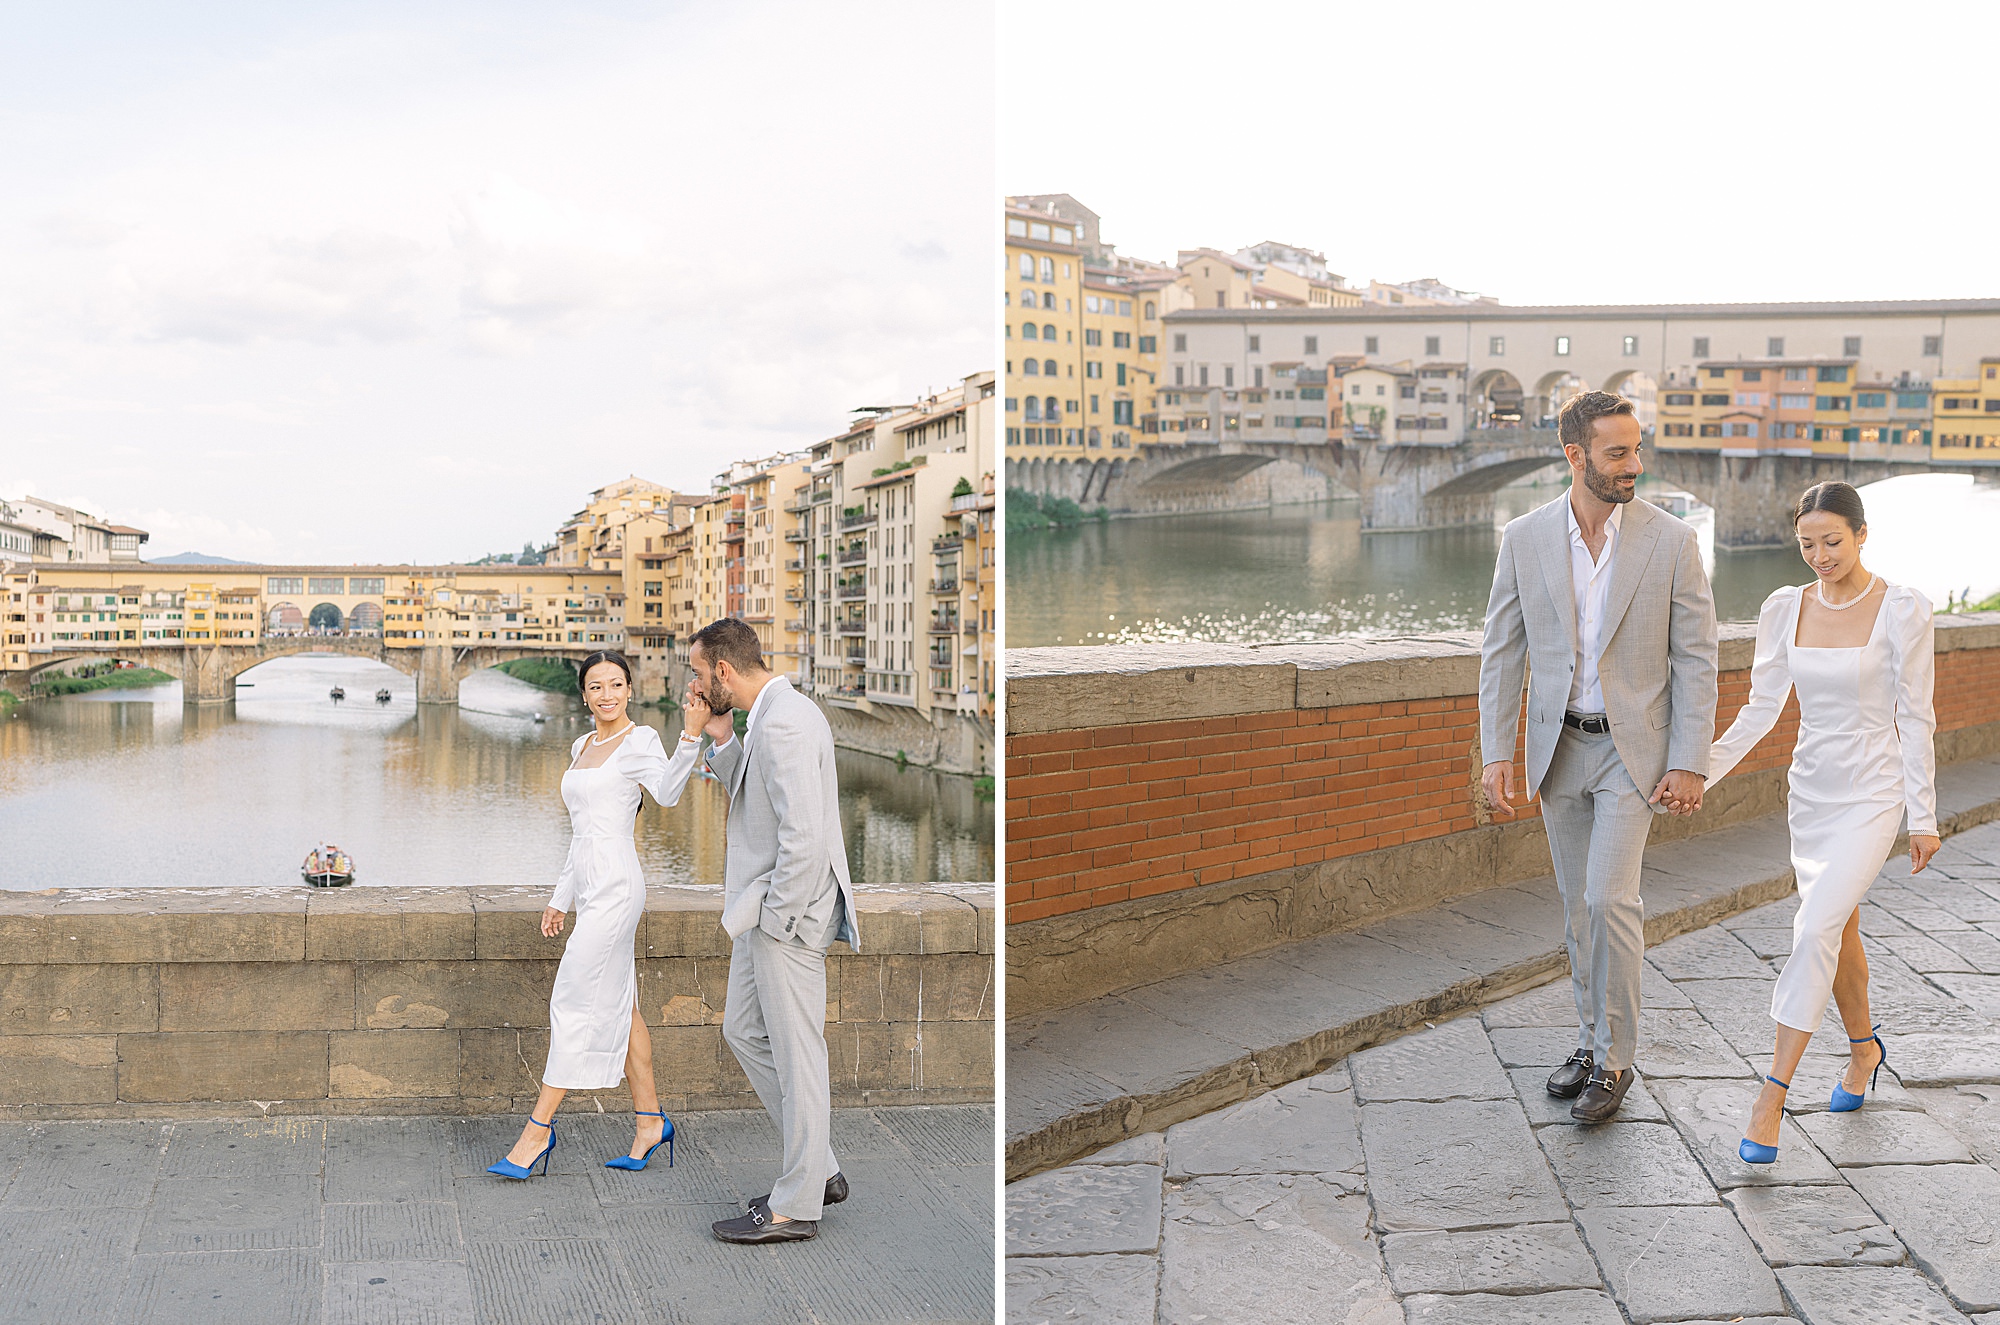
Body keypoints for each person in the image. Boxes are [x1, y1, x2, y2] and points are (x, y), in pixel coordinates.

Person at [1479, 391, 1719, 1123]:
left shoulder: (1671, 540)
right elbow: (1502, 650)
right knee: (1577, 908)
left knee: (1610, 899)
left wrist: (1690, 759)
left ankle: (1616, 1060)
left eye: (1637, 448)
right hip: (1557, 749)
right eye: (1618, 452)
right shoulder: (1522, 537)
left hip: (1632, 752)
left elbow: (1697, 659)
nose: (1635, 465)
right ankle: (1588, 1041)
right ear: (1575, 456)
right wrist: (1496, 754)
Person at [1707, 481, 1938, 1163]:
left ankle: (1771, 1093)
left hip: (1874, 791)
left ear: (1862, 535)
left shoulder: (1902, 608)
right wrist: (1699, 771)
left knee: (1813, 927)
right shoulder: (1785, 607)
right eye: (1806, 543)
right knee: (1835, 927)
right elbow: (1761, 708)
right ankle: (1864, 1050)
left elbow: (1917, 717)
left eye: (1831, 541)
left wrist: (1922, 816)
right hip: (1810, 792)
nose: (1818, 555)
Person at [489, 650, 732, 1179]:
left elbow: (666, 794)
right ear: (583, 694)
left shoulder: (640, 740)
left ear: (629, 690)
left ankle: (537, 1131)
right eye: (595, 686)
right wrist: (561, 896)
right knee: (623, 1008)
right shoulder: (581, 745)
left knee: (572, 998)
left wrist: (690, 735)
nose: (606, 694)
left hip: (619, 885)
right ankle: (650, 1123)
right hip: (589, 880)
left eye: (615, 685)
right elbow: (580, 832)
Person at [687, 617, 860, 1245]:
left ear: (725, 671)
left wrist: (782, 920)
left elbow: (804, 836)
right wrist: (719, 738)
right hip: (763, 911)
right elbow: (750, 792)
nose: (698, 686)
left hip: (783, 916)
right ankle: (822, 1170)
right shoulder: (765, 717)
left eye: (701, 676)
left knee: (799, 1055)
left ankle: (796, 1206)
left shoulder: (785, 720)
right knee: (742, 1029)